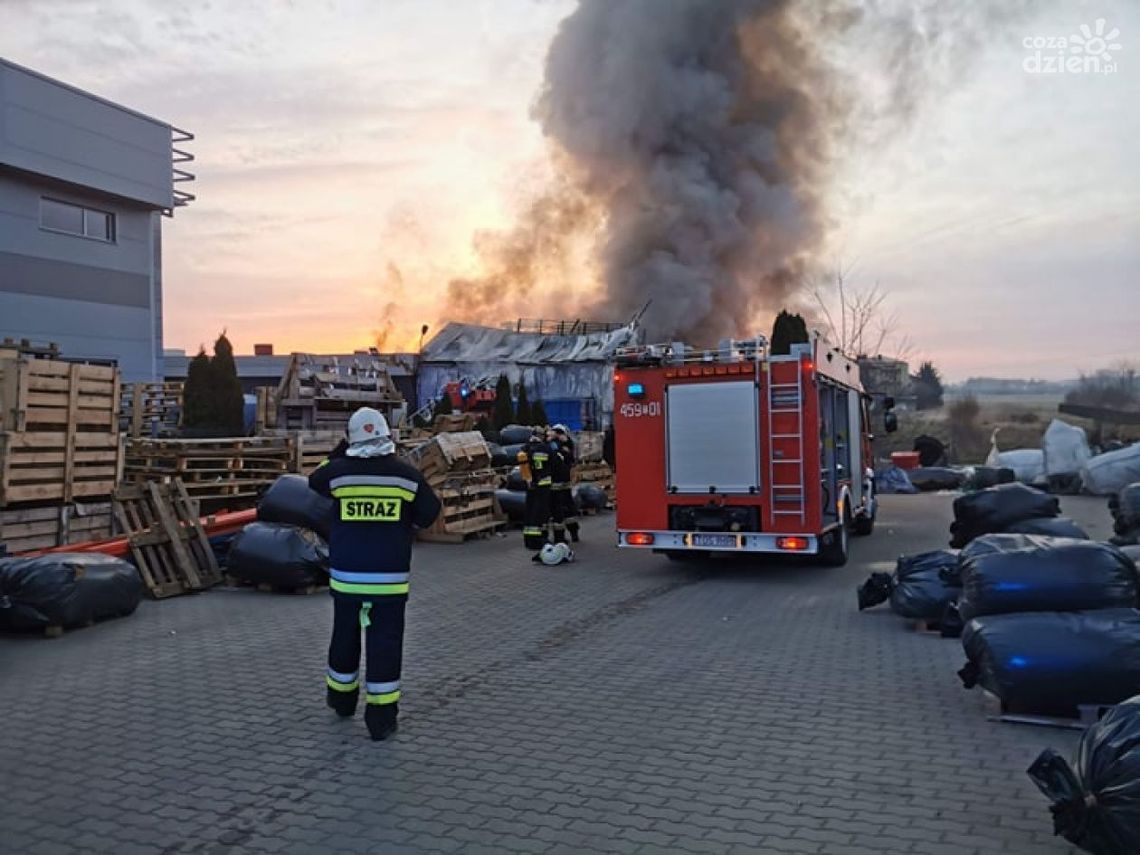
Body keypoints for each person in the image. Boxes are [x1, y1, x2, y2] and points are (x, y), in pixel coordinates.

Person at [308, 407, 441, 741]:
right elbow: (429, 514)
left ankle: (341, 700)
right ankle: (380, 719)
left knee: (344, 638)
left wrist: (338, 452)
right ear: (387, 436)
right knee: (385, 645)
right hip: (389, 581)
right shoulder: (406, 477)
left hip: (347, 578)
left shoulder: (338, 473)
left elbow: (314, 479)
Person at [518, 428, 553, 550]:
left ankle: (529, 540)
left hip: (530, 485)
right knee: (540, 513)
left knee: (529, 511)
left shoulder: (524, 448)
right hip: (543, 485)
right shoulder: (544, 448)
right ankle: (538, 540)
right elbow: (552, 464)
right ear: (541, 436)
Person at [549, 424, 580, 543]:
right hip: (564, 482)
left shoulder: (556, 446)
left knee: (558, 510)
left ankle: (560, 537)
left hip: (556, 483)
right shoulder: (566, 445)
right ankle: (572, 533)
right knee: (568, 508)